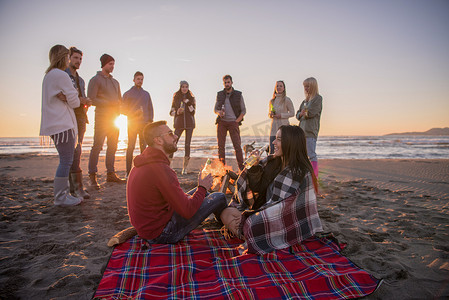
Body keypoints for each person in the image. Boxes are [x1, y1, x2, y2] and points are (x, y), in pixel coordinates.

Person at [220, 125, 323, 254]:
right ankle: (250, 234)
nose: (273, 142)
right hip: (263, 212)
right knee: (226, 213)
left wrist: (258, 217)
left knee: (252, 224)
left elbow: (291, 207)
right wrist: (255, 167)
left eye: (279, 139)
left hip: (283, 219)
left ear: (290, 143)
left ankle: (250, 233)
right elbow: (258, 188)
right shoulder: (273, 163)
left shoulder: (301, 172)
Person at [127, 120, 227, 243]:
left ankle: (222, 219)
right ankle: (227, 223)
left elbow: (165, 198)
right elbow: (187, 211)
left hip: (149, 227)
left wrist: (200, 190)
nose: (176, 136)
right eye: (170, 134)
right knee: (219, 197)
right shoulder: (160, 170)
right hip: (161, 234)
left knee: (202, 194)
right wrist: (202, 187)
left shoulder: (144, 162)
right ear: (158, 140)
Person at [40, 45, 86, 206]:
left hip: (53, 125)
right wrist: (70, 97)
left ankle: (63, 195)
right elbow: (74, 102)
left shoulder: (48, 75)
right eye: (68, 57)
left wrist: (66, 96)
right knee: (66, 160)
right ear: (63, 57)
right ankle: (61, 197)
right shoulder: (61, 75)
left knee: (65, 159)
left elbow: (69, 98)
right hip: (63, 124)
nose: (69, 60)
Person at [87, 53, 125, 188]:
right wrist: (109, 103)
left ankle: (111, 174)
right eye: (110, 64)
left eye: (113, 64)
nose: (112, 66)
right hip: (102, 118)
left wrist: (120, 108)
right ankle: (92, 176)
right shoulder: (95, 80)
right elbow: (90, 99)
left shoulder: (116, 82)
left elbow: (120, 100)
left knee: (113, 146)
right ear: (103, 64)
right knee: (97, 146)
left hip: (115, 119)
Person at [65, 47, 92, 199]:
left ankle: (77, 188)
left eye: (80, 59)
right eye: (75, 58)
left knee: (78, 151)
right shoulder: (64, 75)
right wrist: (81, 100)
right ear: (69, 58)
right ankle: (74, 189)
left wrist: (86, 102)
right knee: (71, 153)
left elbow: (82, 98)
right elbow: (65, 97)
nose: (78, 61)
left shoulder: (81, 80)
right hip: (68, 117)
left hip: (81, 118)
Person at [122, 71, 153, 176]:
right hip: (132, 124)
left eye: (141, 79)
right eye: (138, 79)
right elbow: (122, 109)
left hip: (144, 125)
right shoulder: (127, 94)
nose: (140, 81)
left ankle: (144, 171)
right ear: (134, 80)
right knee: (130, 146)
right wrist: (133, 113)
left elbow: (150, 109)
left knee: (143, 147)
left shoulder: (146, 94)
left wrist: (150, 122)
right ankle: (128, 172)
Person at [214, 75, 246, 170]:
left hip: (233, 122)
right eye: (225, 82)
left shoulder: (238, 94)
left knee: (237, 146)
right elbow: (215, 109)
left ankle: (241, 168)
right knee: (221, 146)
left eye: (228, 82)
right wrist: (218, 112)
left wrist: (237, 121)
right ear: (223, 83)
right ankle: (222, 168)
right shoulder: (220, 94)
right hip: (222, 122)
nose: (227, 84)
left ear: (232, 82)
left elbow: (244, 110)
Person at [296, 77, 322, 178]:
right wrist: (301, 114)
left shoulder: (318, 99)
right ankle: (304, 175)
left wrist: (303, 113)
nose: (306, 89)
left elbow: (311, 113)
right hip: (301, 131)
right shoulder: (305, 101)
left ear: (313, 86)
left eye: (308, 86)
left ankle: (314, 176)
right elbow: (297, 115)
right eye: (305, 87)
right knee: (301, 155)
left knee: (311, 154)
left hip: (310, 131)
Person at [169, 80, 196, 174]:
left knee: (187, 144)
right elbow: (171, 112)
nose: (184, 88)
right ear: (180, 88)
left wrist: (188, 103)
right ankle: (169, 165)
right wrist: (177, 112)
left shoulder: (191, 98)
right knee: (173, 142)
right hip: (178, 124)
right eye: (183, 87)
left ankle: (185, 168)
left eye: (186, 87)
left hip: (190, 124)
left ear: (188, 88)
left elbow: (193, 112)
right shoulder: (176, 98)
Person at [268, 80, 295, 154]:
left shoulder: (287, 100)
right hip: (274, 128)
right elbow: (270, 114)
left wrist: (281, 115)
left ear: (284, 88)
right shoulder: (272, 101)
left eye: (281, 86)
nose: (279, 87)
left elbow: (292, 113)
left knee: (284, 150)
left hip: (284, 128)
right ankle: (273, 165)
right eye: (277, 86)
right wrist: (271, 114)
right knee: (272, 150)